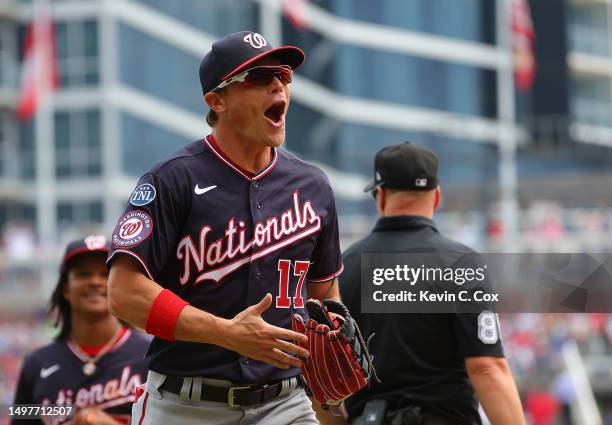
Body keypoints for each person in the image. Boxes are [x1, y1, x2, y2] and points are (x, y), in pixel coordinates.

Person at [106, 31, 344, 425]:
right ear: (217, 100)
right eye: (258, 76)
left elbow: (323, 292)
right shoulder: (172, 179)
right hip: (185, 404)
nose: (277, 84)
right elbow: (124, 293)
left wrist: (331, 335)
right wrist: (227, 333)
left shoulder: (313, 186)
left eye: (283, 75)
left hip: (284, 404)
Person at [335, 143, 526, 425]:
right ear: (436, 197)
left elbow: (324, 381)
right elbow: (486, 367)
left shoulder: (343, 267)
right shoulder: (461, 263)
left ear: (381, 195)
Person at [12, 235, 149, 425]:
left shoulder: (150, 357)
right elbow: (20, 420)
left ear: (120, 285)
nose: (95, 281)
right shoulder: (35, 365)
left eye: (105, 274)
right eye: (83, 274)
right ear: (65, 288)